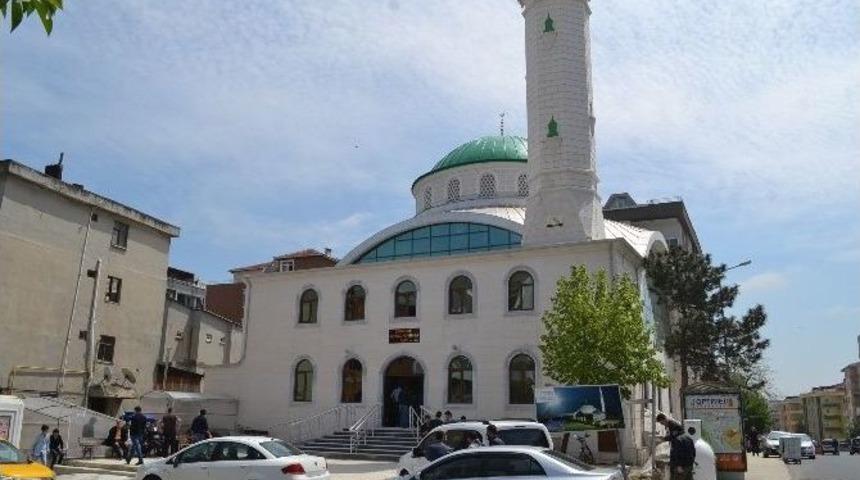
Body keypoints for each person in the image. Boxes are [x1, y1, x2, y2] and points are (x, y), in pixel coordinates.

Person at [657, 413, 695, 480]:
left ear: (664, 419)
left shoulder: (676, 438)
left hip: (682, 465)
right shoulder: (688, 438)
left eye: (662, 423)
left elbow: (677, 452)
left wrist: (679, 465)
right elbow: (693, 452)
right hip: (689, 464)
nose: (662, 425)